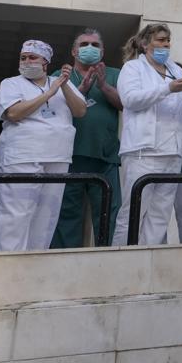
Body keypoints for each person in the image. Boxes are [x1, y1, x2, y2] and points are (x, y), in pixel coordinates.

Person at [0, 40, 86, 251]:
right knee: (16, 217)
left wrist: (63, 85)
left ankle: (34, 270)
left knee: (46, 218)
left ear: (45, 62)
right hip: (22, 158)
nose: (27, 61)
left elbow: (80, 111)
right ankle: (9, 268)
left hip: (58, 157)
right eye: (23, 57)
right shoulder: (11, 83)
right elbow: (14, 113)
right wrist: (49, 93)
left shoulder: (60, 82)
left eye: (32, 57)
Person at [112, 23, 182, 246]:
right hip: (143, 151)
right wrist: (167, 89)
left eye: (167, 40)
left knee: (160, 215)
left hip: (172, 151)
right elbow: (130, 99)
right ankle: (121, 263)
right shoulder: (132, 68)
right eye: (160, 40)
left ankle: (148, 263)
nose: (165, 44)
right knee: (133, 213)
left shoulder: (176, 70)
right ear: (145, 43)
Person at [51, 29, 122, 248]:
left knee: (109, 213)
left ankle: (107, 261)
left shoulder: (115, 74)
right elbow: (54, 109)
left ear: (102, 51)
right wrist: (81, 89)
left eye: (95, 45)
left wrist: (103, 85)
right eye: (83, 44)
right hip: (69, 155)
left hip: (105, 155)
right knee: (66, 214)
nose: (89, 48)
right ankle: (64, 262)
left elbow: (123, 104)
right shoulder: (59, 76)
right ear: (73, 51)